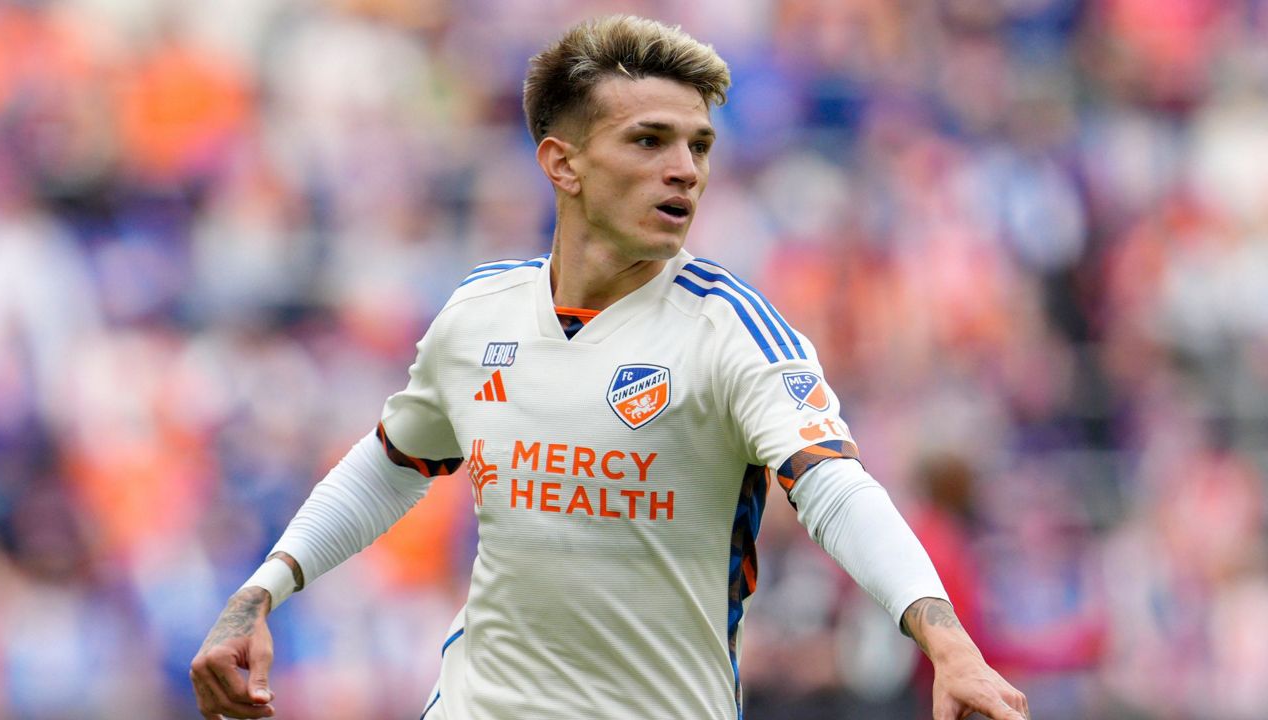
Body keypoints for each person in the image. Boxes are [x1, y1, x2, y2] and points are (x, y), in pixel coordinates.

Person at [190, 15, 1029, 720]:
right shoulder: (480, 314)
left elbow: (835, 488)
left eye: (699, 145)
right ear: (564, 164)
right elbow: (390, 463)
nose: (686, 170)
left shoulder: (733, 332)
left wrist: (944, 639)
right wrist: (260, 592)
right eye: (650, 140)